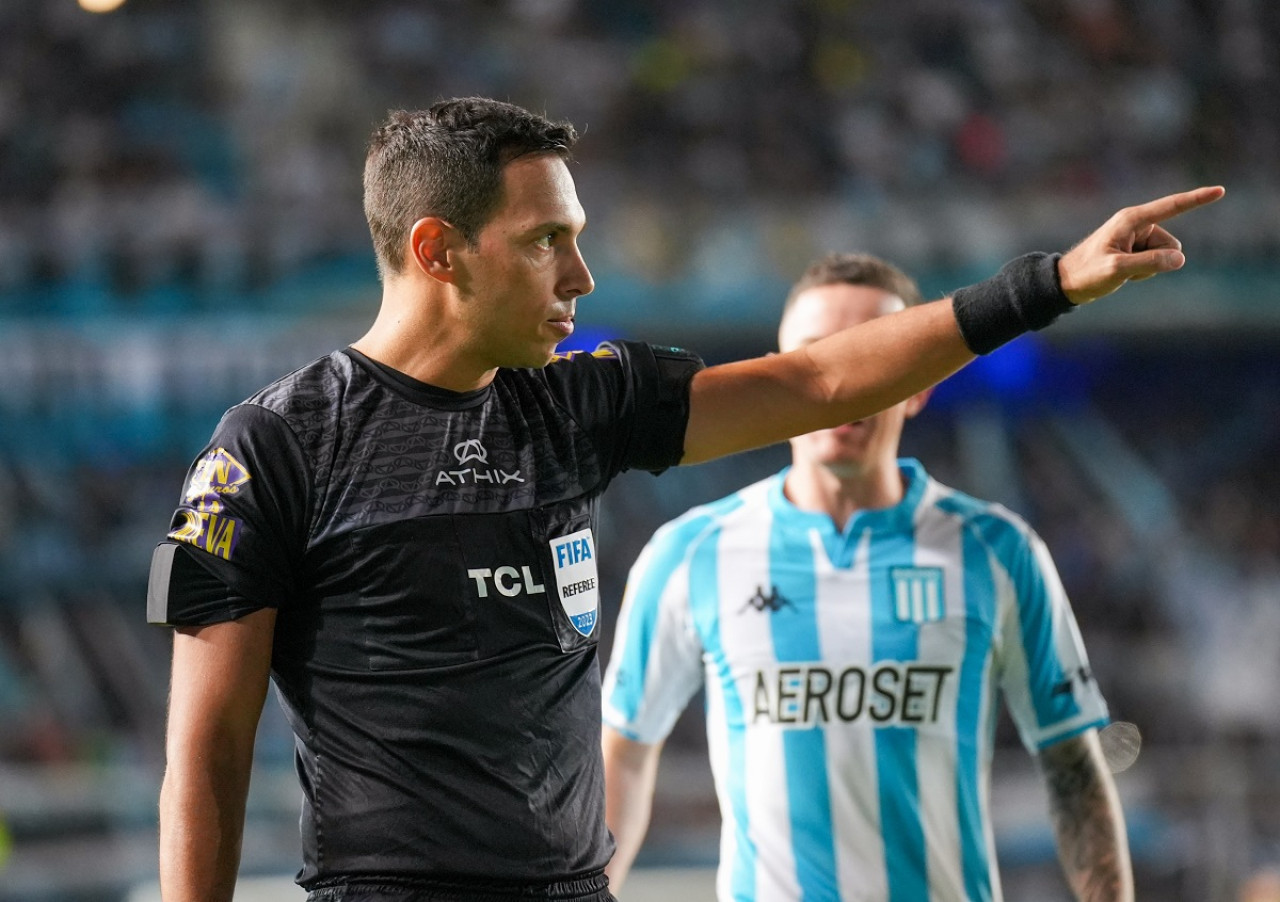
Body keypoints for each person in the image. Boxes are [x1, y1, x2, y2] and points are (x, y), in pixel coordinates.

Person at [146, 95, 1218, 902]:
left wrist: (1046, 284)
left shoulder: (577, 404)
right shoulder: (272, 447)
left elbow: (817, 381)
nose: (582, 275)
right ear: (436, 251)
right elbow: (206, 749)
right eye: (544, 241)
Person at [600, 252, 1134, 902]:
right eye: (818, 358)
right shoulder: (689, 555)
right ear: (780, 375)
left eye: (872, 357)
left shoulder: (997, 551)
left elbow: (1073, 766)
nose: (844, 384)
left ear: (917, 380)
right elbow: (623, 754)